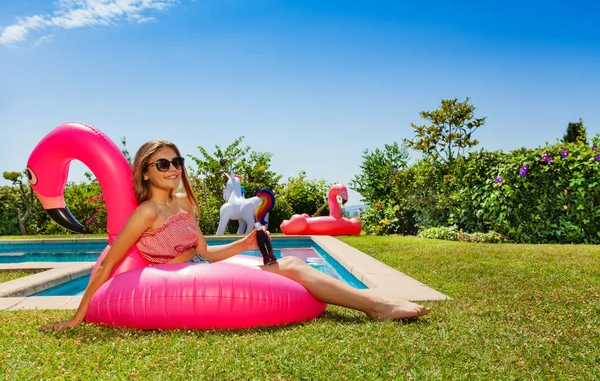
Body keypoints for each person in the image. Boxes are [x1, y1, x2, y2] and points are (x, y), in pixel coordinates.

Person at [41, 140, 430, 330]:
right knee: (292, 264)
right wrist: (77, 317)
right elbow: (110, 260)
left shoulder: (185, 205)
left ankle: (375, 304)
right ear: (145, 171)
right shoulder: (146, 212)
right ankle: (377, 307)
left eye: (177, 161)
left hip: (200, 270)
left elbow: (205, 254)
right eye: (163, 163)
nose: (173, 168)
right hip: (170, 281)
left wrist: (244, 244)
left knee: (292, 262)